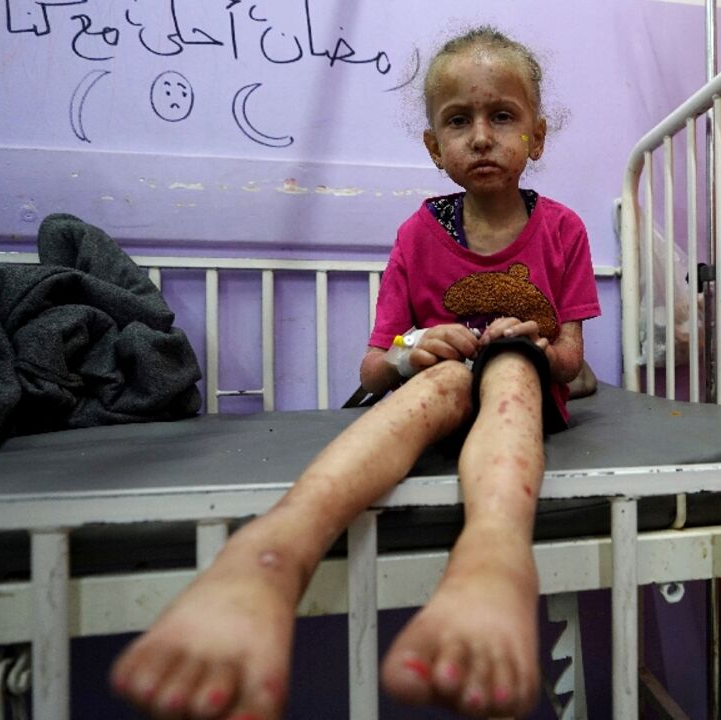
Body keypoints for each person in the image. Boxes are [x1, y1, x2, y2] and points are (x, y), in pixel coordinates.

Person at [111, 25, 600, 719]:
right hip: (439, 385)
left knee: (512, 371)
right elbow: (373, 366)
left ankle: (493, 558)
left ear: (538, 137)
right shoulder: (416, 236)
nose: (482, 136)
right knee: (441, 378)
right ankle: (275, 551)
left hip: (520, 385)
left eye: (502, 116)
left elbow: (573, 356)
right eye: (459, 120)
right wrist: (413, 349)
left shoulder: (563, 231)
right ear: (435, 147)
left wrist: (537, 348)